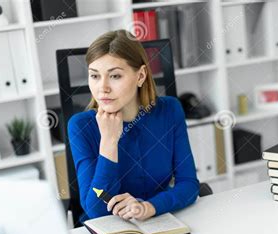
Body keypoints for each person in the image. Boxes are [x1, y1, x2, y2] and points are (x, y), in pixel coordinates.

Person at [68, 30, 199, 222]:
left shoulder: (170, 110)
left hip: (158, 221)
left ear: (140, 76)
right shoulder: (81, 126)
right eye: (95, 76)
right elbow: (96, 210)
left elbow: (189, 184)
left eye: (115, 76)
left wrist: (148, 207)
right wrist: (109, 142)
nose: (102, 88)